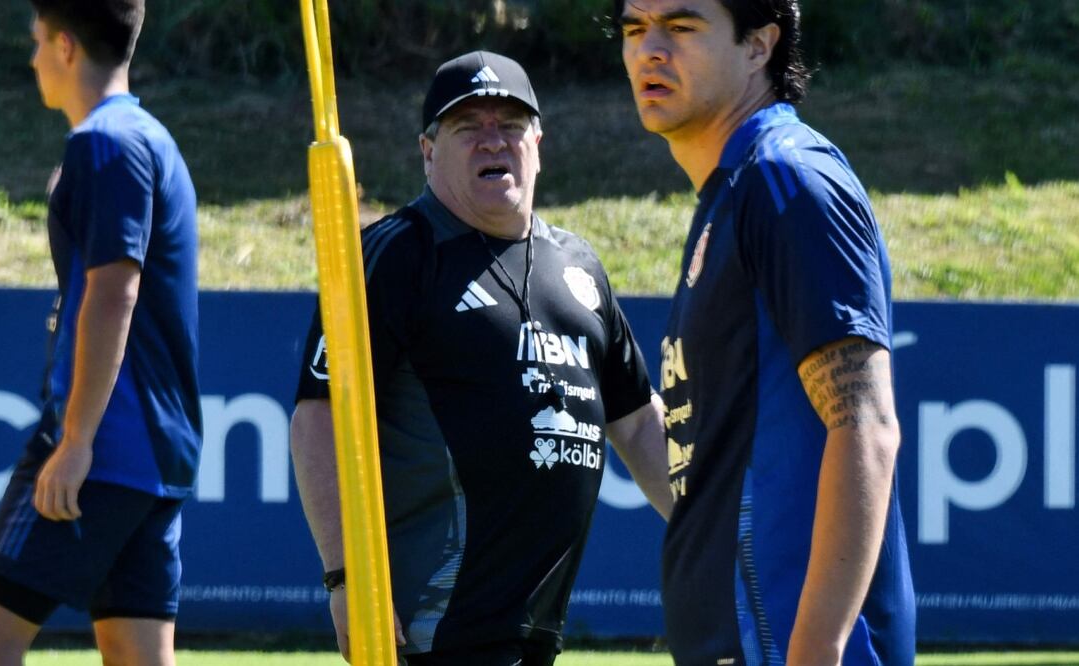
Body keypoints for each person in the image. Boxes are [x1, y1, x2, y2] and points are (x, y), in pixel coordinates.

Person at [291, 50, 672, 665]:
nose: (492, 142)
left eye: (511, 126)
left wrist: (721, 532)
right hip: (430, 631)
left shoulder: (579, 267)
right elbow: (318, 418)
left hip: (534, 634)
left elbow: (635, 420)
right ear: (427, 150)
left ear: (538, 144)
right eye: (468, 127)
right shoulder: (397, 256)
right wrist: (346, 579)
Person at [616, 1, 915, 664]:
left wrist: (815, 647)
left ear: (759, 45)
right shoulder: (733, 192)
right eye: (635, 28)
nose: (650, 50)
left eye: (682, 26)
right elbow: (718, 467)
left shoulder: (785, 179)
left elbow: (865, 424)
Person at [0, 1, 201, 664]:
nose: (33, 58)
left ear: (68, 47)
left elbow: (114, 293)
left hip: (102, 448)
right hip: (153, 460)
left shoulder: (106, 143)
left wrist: (75, 442)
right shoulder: (149, 138)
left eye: (39, 42)